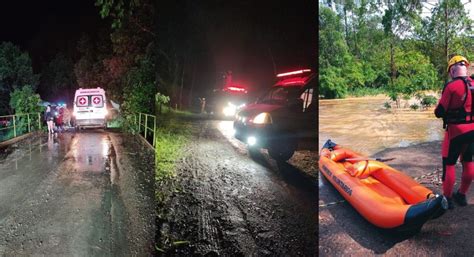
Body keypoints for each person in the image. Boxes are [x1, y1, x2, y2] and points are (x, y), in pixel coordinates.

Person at [435, 54, 474, 209]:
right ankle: (462, 195)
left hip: (455, 132)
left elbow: (439, 112)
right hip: (472, 131)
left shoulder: (451, 86)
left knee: (449, 164)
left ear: (452, 70)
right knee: (468, 161)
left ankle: (448, 199)